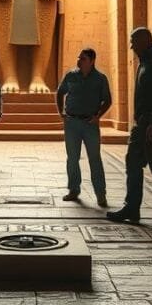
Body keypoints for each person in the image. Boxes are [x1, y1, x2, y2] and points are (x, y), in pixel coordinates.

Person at [107, 27, 152, 226]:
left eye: (133, 41)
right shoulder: (146, 61)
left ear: (145, 41)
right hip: (142, 124)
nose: (131, 46)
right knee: (132, 162)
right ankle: (132, 207)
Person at [56, 48, 111, 207]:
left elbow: (107, 101)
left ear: (92, 61)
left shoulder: (100, 79)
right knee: (72, 158)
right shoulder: (71, 75)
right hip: (72, 123)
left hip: (90, 124)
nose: (79, 61)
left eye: (83, 59)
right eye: (78, 58)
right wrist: (61, 112)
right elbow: (60, 93)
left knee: (95, 159)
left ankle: (101, 194)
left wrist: (98, 116)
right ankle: (74, 190)